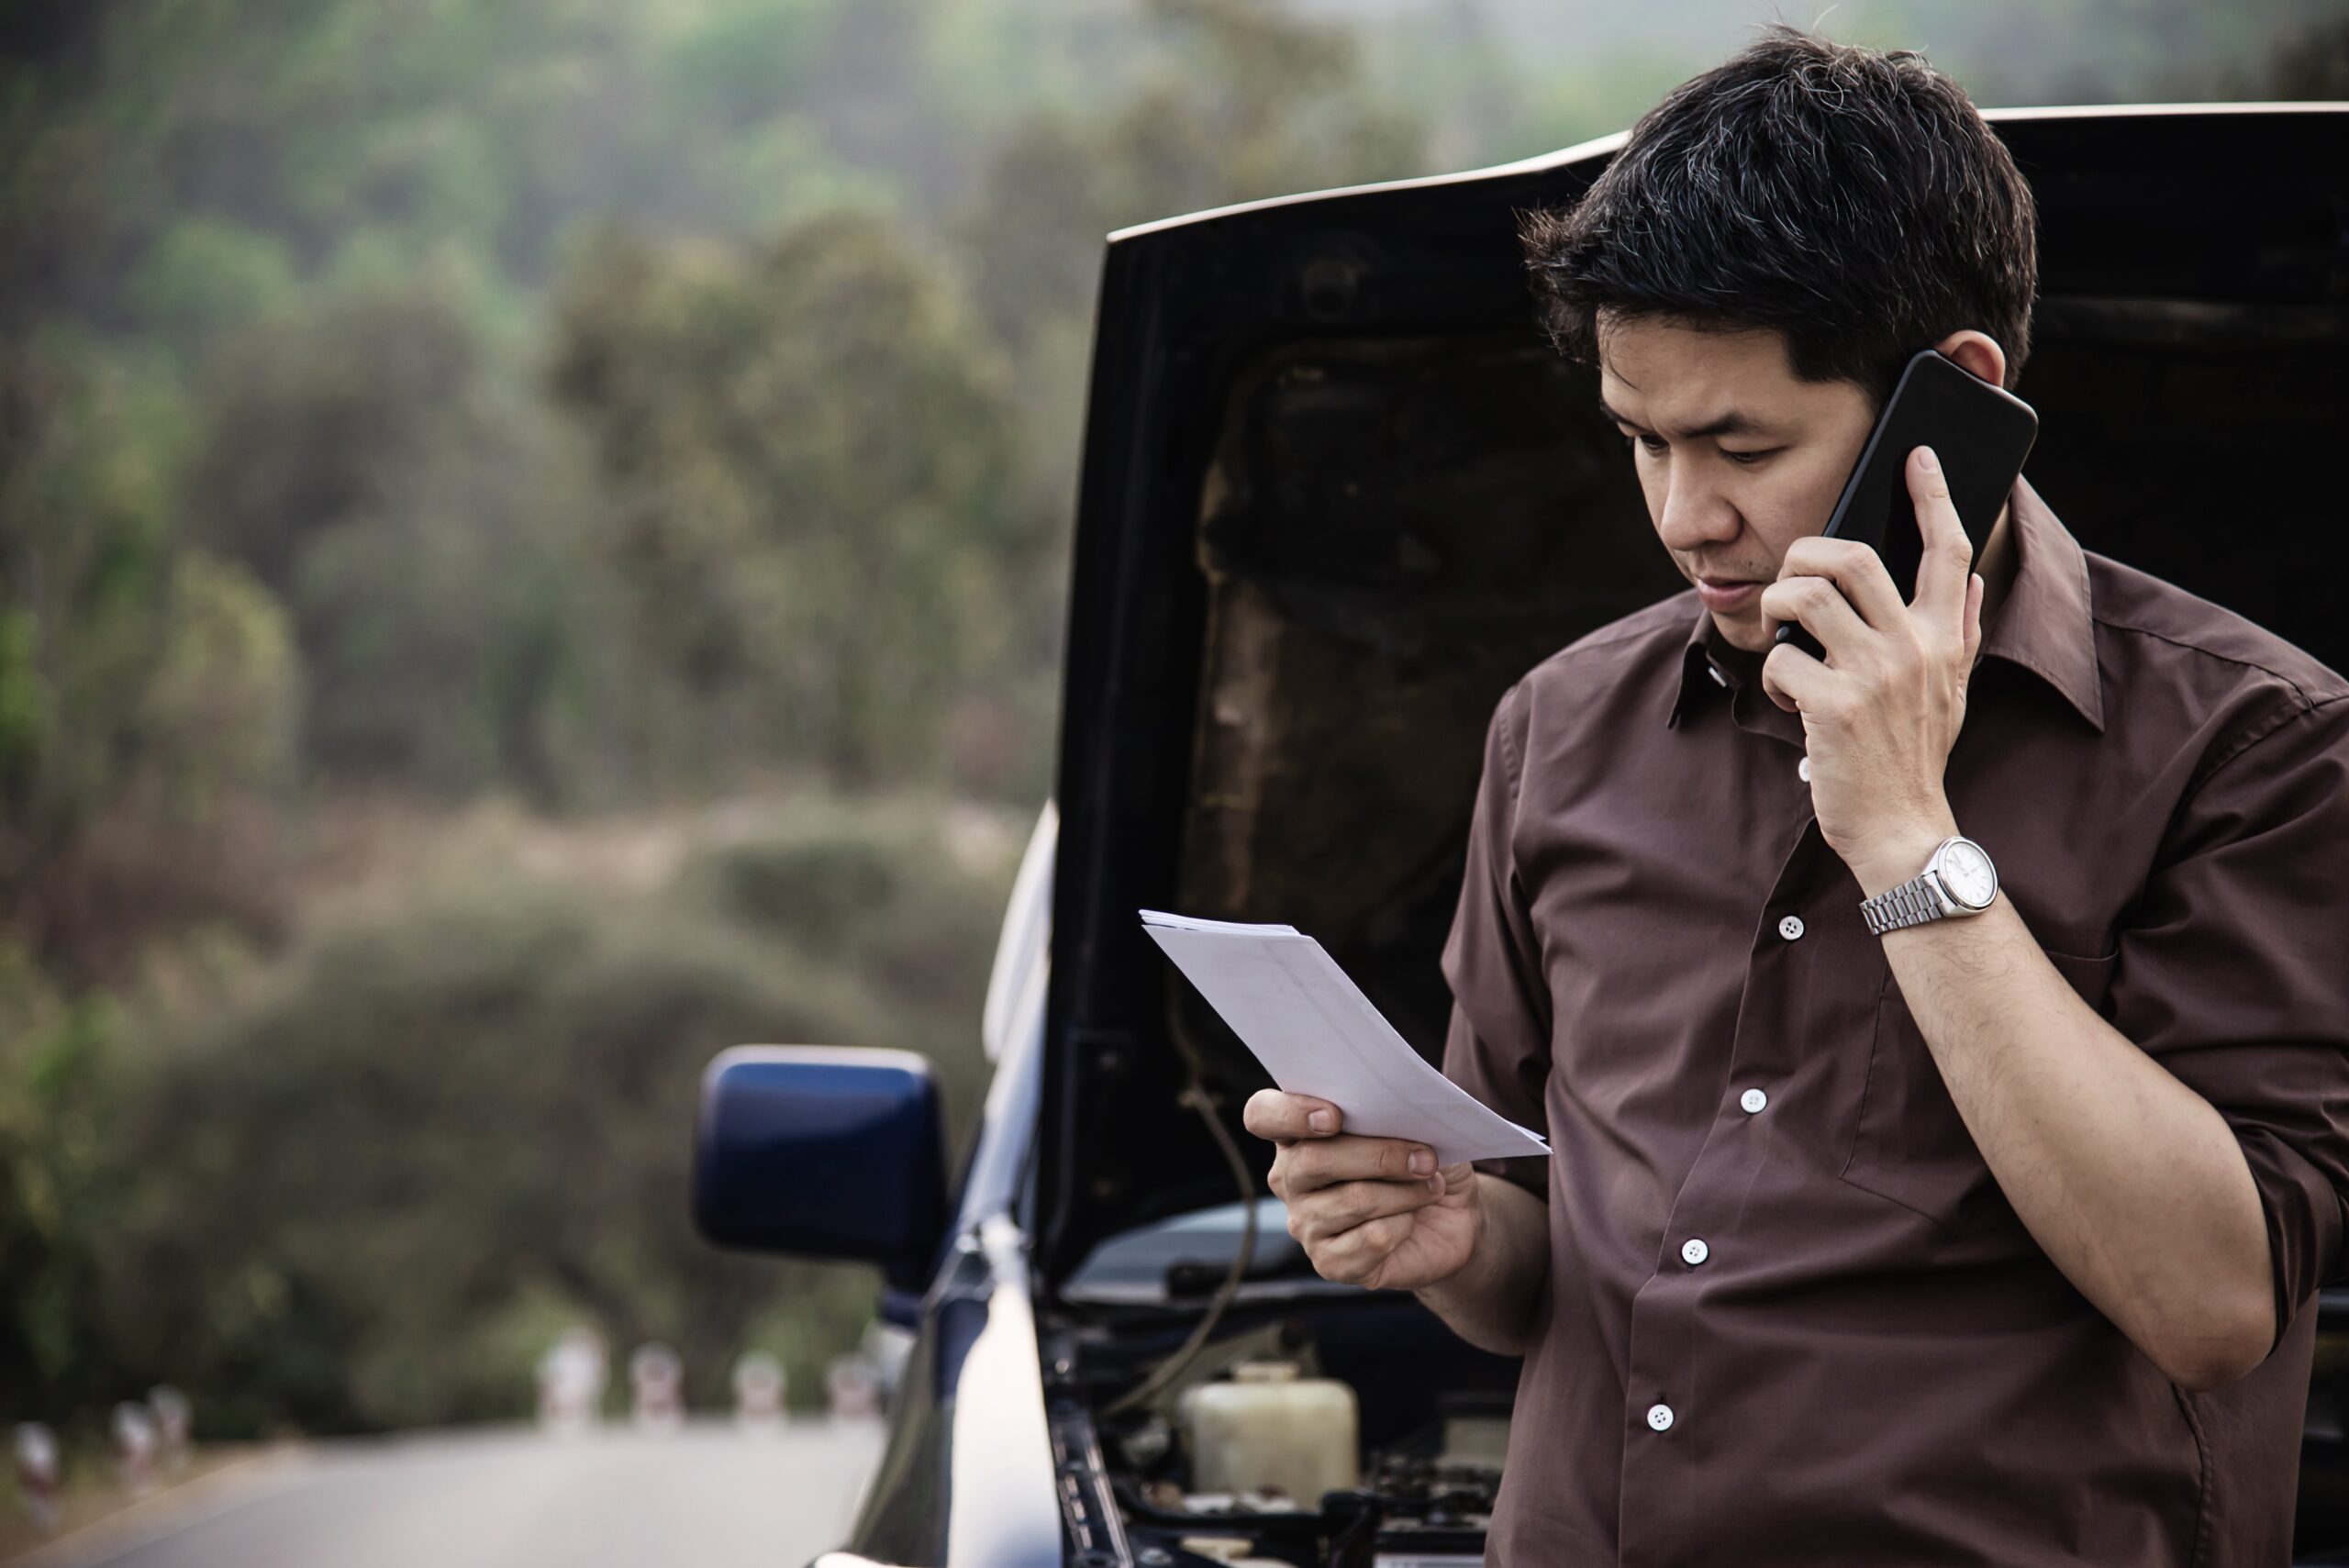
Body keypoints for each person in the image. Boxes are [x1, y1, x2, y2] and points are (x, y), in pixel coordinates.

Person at [1243, 25, 2349, 1566]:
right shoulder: (1557, 729)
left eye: (1742, 443)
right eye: (1642, 441)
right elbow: (1528, 1252)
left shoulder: (2256, 743)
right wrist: (1447, 1239)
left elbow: (2215, 1300)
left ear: (1951, 402)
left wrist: (1906, 837)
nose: (1687, 518)